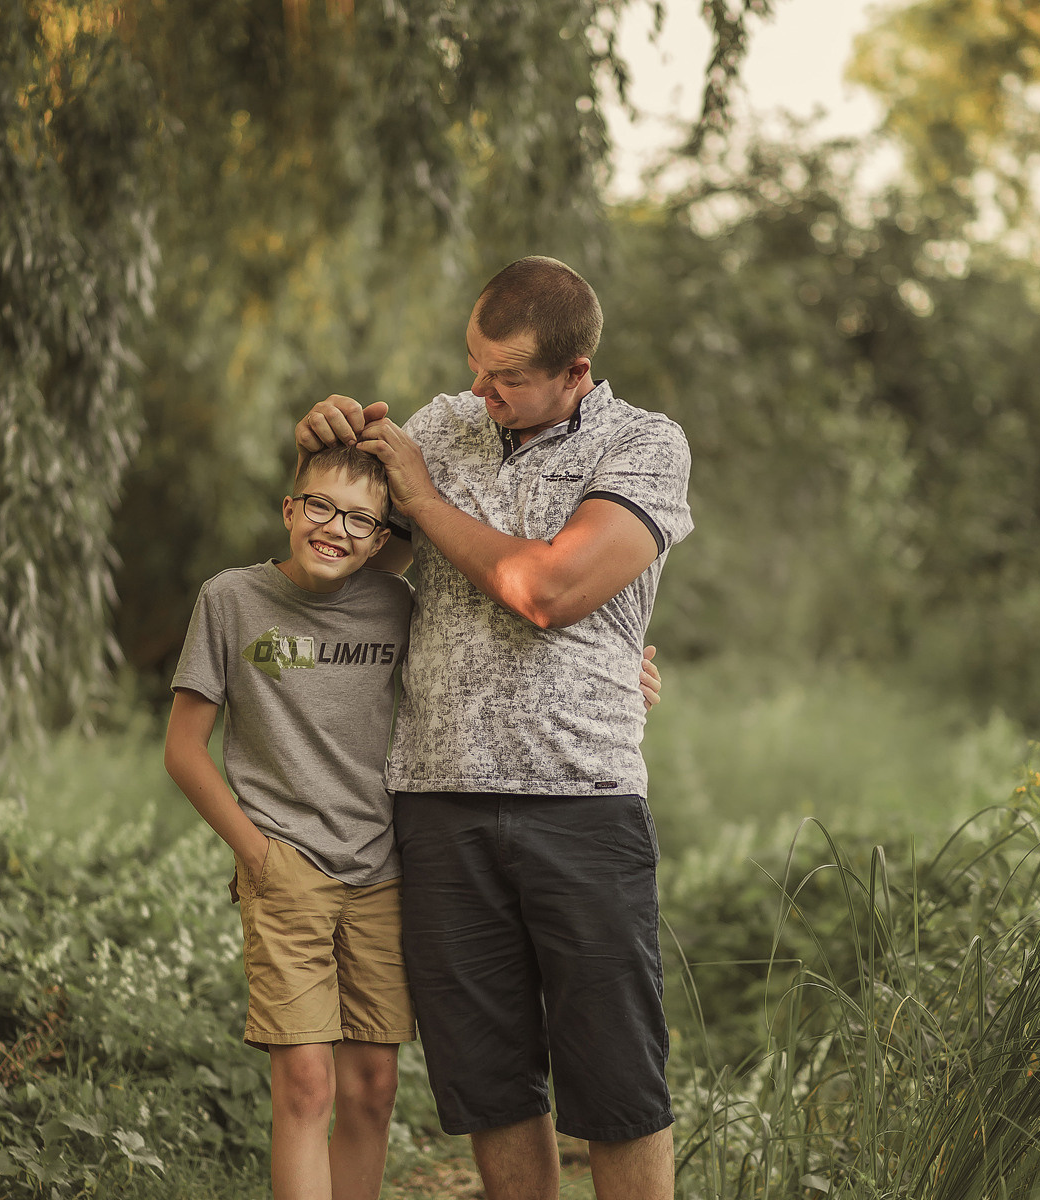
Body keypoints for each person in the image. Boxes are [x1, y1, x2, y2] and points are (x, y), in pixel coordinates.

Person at [295, 255, 693, 1200]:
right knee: (487, 1080)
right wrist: (318, 461)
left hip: (583, 800)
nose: (479, 390)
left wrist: (425, 500)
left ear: (575, 373)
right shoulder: (440, 427)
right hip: (436, 802)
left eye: (506, 376)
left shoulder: (643, 444)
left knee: (617, 1083)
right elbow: (342, 569)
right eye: (474, 363)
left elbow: (549, 591)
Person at [163, 445, 415, 1200]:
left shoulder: (398, 604)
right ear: (290, 509)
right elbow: (183, 749)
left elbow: (490, 657)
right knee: (307, 1084)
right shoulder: (231, 598)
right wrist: (258, 854)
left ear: (380, 539)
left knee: (372, 1088)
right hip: (286, 867)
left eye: (359, 519)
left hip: (382, 870)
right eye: (320, 506)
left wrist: (616, 671)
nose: (335, 528)